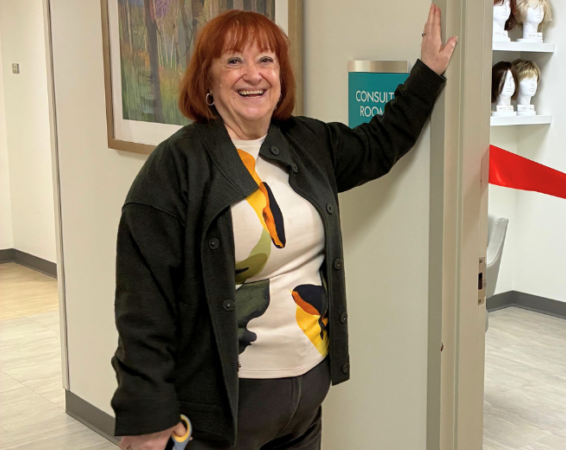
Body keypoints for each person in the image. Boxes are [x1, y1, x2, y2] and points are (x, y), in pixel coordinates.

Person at [112, 6, 456, 450]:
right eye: (234, 60)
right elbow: (143, 305)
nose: (252, 74)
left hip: (304, 402)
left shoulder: (306, 142)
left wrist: (426, 74)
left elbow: (379, 143)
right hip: (221, 411)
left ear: (281, 76)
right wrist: (148, 418)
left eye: (266, 60)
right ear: (208, 81)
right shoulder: (178, 166)